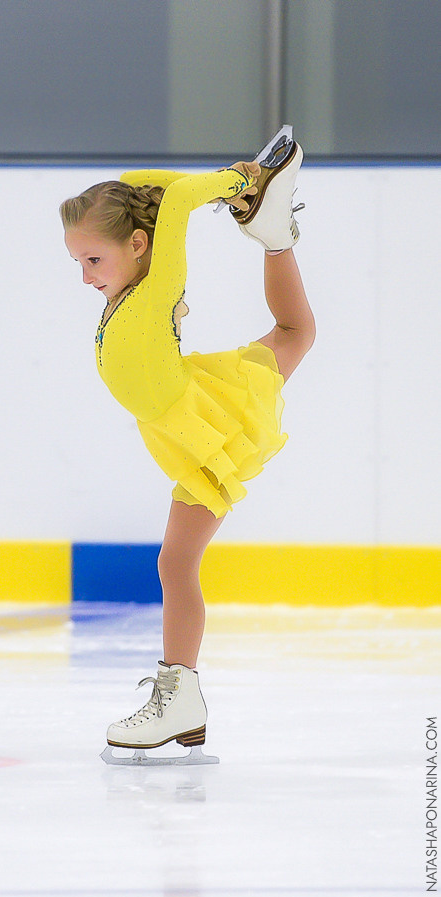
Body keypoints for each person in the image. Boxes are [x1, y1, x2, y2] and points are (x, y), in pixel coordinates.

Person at [60, 136, 315, 763]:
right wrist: (138, 189)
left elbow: (173, 201)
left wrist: (238, 180)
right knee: (294, 333)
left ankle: (180, 695)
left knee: (176, 565)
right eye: (79, 264)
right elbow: (145, 183)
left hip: (206, 423)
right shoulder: (131, 286)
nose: (85, 276)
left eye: (92, 260)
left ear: (137, 245)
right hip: (185, 421)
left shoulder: (154, 284)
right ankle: (276, 233)